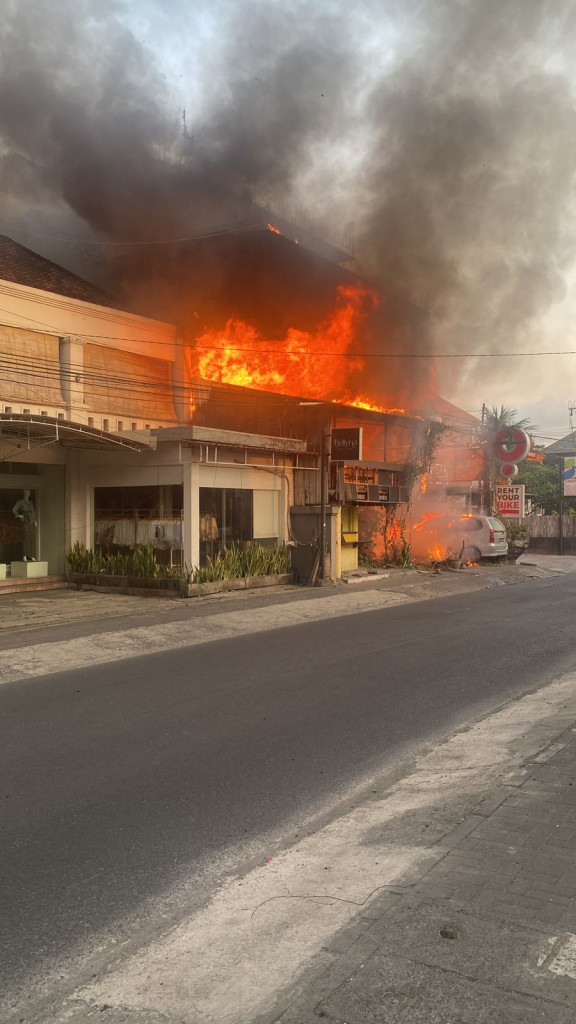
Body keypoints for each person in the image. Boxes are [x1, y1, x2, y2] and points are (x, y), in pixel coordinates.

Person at [12, 489, 37, 561]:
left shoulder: (31, 502)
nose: (28, 493)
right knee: (26, 537)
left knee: (32, 537)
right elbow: (14, 509)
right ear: (24, 493)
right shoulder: (21, 502)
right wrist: (19, 515)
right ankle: (25, 555)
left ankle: (32, 555)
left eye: (29, 492)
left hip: (31, 520)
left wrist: (35, 521)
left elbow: (33, 512)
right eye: (27, 492)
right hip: (25, 520)